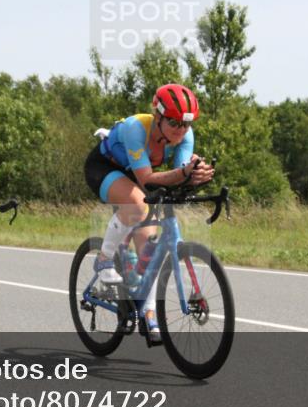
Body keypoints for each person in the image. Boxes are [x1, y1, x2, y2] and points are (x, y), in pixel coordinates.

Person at [83, 84, 215, 342]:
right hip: (105, 168)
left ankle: (148, 310)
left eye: (186, 124)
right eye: (175, 123)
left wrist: (195, 176)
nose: (181, 130)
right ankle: (104, 259)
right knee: (136, 204)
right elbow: (147, 181)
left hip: (137, 174)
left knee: (149, 248)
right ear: (158, 116)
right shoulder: (136, 129)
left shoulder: (185, 137)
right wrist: (184, 174)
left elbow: (179, 173)